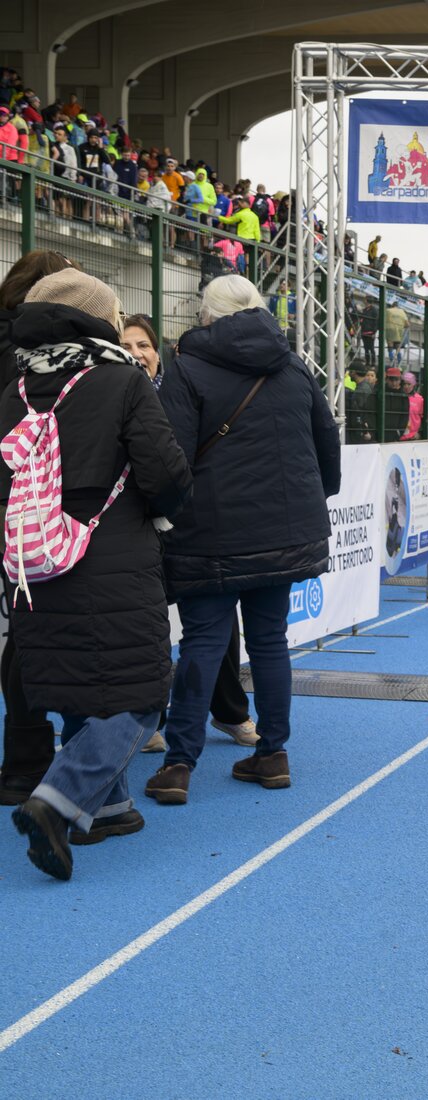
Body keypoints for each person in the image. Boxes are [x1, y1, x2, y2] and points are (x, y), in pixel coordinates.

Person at [3, 270, 192, 878]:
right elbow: (166, 473)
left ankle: (109, 808)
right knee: (141, 694)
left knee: (79, 684)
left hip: (33, 562)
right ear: (98, 318)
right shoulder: (122, 380)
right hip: (113, 556)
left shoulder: (16, 388)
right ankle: (57, 801)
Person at [146, 275, 340, 805]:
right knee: (270, 640)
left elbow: (171, 454)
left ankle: (179, 764)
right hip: (283, 529)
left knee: (202, 642)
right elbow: (326, 439)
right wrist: (315, 497)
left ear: (206, 314)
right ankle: (273, 753)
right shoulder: (292, 365)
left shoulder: (187, 366)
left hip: (207, 531)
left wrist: (160, 513)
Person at [119, 314, 262, 755]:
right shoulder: (109, 393)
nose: (135, 353)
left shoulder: (181, 389)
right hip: (136, 527)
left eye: (143, 345)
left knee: (217, 622)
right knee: (146, 629)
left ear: (157, 353)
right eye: (125, 346)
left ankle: (230, 712)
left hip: (194, 524)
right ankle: (149, 719)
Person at [0, 250, 77, 807]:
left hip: (12, 504)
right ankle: (34, 764)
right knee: (35, 635)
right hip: (30, 506)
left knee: (22, 635)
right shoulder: (33, 356)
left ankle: (24, 761)